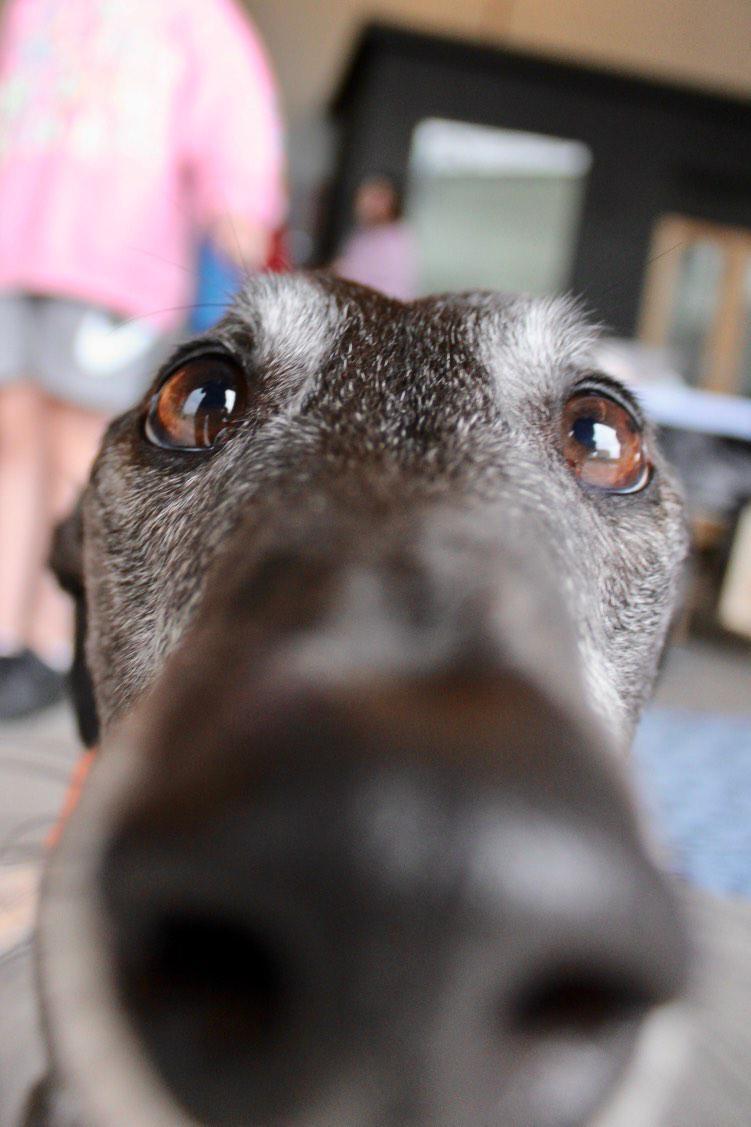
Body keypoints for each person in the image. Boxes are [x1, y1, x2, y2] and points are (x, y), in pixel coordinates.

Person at [0, 0, 286, 719]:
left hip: (114, 262)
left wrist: (239, 201)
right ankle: (4, 625)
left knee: (78, 449)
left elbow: (236, 113)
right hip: (13, 246)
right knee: (10, 434)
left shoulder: (197, 17)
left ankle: (51, 639)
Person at [333, 173, 418, 301]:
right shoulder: (362, 235)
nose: (364, 204)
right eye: (362, 197)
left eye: (374, 198)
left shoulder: (395, 242)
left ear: (391, 202)